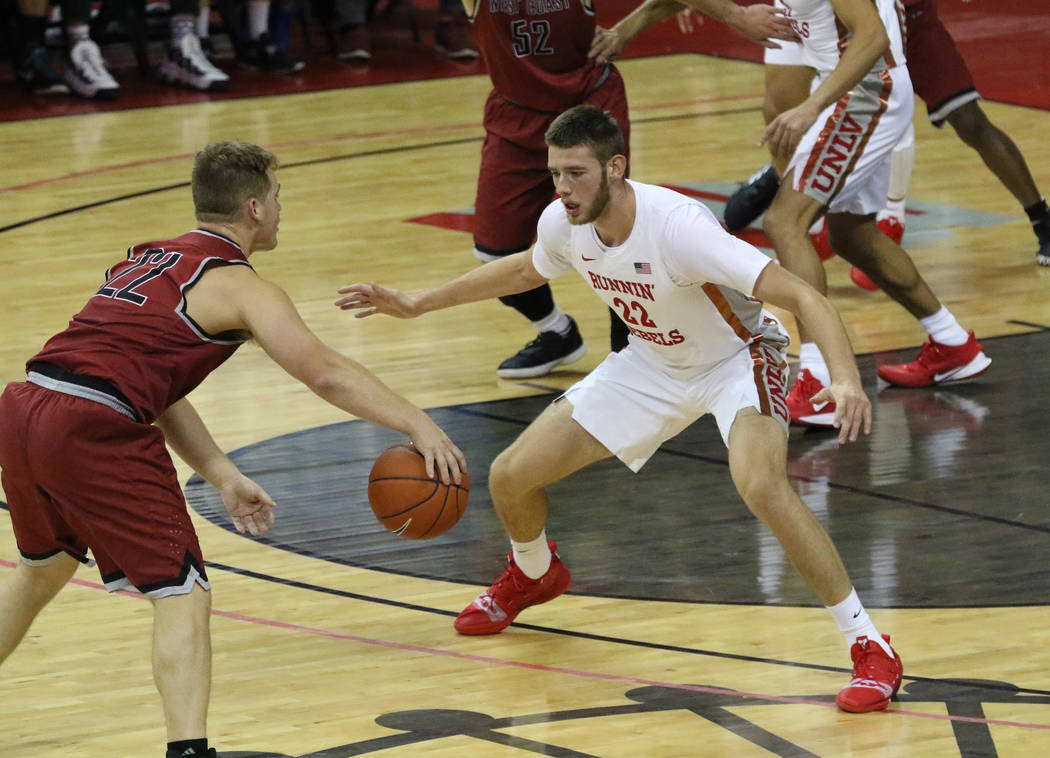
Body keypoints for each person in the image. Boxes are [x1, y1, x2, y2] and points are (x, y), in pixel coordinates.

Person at [336, 104, 905, 714]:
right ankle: (534, 572)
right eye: (554, 174)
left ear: (616, 167)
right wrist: (418, 303)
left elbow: (800, 293)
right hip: (652, 363)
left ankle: (870, 644)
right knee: (510, 476)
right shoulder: (564, 221)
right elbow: (527, 268)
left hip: (737, 359)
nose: (562, 189)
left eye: (575, 174)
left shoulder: (679, 228)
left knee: (761, 484)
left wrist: (844, 377)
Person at [0, 140, 465, 758]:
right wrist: (418, 424)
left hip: (25, 407)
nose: (281, 207)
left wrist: (219, 472)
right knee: (181, 589)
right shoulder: (246, 288)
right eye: (277, 196)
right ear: (252, 206)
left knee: (42, 570)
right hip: (89, 426)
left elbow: (152, 387)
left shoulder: (145, 259)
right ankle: (188, 752)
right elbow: (322, 371)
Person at [464, 0, 795, 379]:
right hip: (516, 111)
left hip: (589, 98)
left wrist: (629, 28)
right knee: (494, 252)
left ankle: (631, 357)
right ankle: (556, 332)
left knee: (616, 235)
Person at [753, 0, 991, 426]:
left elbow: (872, 35)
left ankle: (821, 384)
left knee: (785, 221)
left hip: (865, 93)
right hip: (860, 90)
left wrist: (811, 106)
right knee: (851, 234)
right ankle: (953, 344)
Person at [724, 0, 1050, 269]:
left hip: (896, 19)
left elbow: (884, 82)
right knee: (779, 106)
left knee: (965, 119)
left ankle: (1038, 217)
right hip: (821, 16)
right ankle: (795, 190)